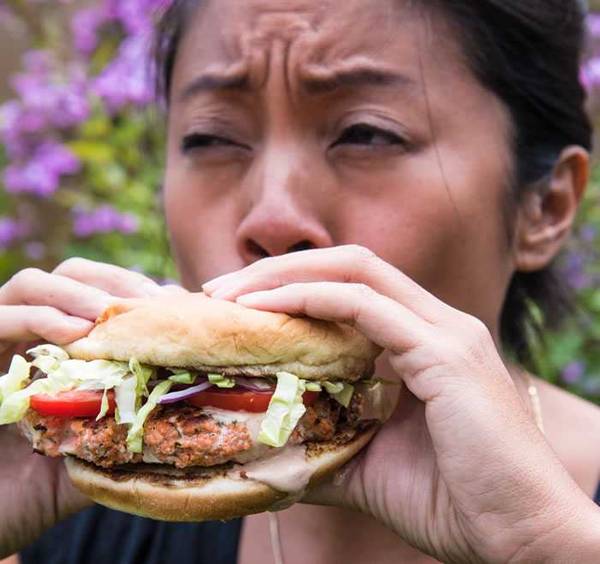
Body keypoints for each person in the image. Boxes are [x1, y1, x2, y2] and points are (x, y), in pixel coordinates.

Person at [2, 0, 600, 562]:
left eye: (367, 133)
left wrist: (544, 544)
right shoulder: (78, 497)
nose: (272, 215)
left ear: (542, 207)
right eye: (211, 138)